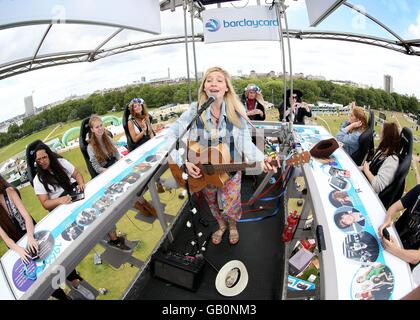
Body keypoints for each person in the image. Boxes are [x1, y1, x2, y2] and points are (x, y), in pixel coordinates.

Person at [165, 66, 276, 245]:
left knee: (232, 202)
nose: (214, 83)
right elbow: (171, 135)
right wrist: (183, 161)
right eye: (209, 80)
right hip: (204, 169)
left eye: (219, 80)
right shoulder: (195, 111)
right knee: (212, 202)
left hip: (230, 168)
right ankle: (221, 225)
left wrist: (261, 159)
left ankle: (232, 226)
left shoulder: (237, 113)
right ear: (204, 87)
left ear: (226, 88)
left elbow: (246, 144)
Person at [0, 175, 91, 300]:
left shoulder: (9, 192)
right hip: (17, 247)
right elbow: (5, 238)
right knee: (41, 277)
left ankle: (76, 282)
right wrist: (20, 250)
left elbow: (26, 217)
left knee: (55, 258)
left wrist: (30, 237)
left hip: (32, 232)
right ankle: (63, 297)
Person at [378, 184, 420, 268]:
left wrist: (394, 249)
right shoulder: (418, 190)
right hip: (391, 236)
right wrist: (387, 221)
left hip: (403, 261)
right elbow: (394, 207)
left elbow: (416, 257)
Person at [361, 122, 399, 194]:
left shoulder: (392, 161)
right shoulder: (382, 151)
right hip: (364, 183)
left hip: (369, 193)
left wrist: (366, 170)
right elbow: (369, 165)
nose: (379, 136)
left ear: (386, 137)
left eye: (381, 133)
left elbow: (377, 187)